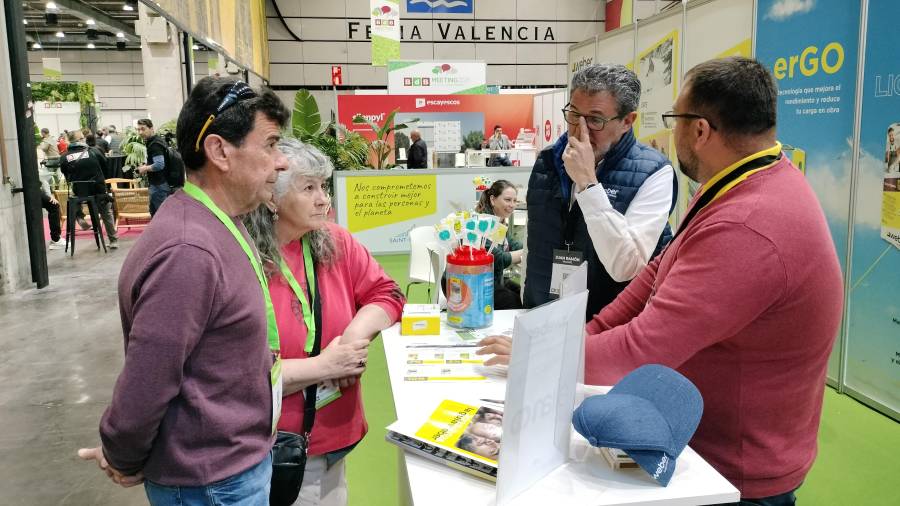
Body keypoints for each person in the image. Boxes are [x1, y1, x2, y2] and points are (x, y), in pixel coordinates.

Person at [479, 57, 844, 505]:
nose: (580, 129)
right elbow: (658, 271)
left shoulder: (748, 224)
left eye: (674, 119)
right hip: (688, 434)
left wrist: (547, 356)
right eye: (574, 115)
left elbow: (644, 343)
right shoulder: (739, 184)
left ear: (700, 130)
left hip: (733, 470)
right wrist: (584, 333)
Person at [77, 77, 290, 504]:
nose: (281, 162)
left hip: (230, 468)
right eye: (269, 145)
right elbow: (148, 378)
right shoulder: (189, 250)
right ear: (219, 151)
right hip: (211, 482)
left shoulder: (222, 225)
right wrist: (123, 452)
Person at [243, 138, 404, 505]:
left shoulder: (334, 241)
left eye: (324, 186)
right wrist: (324, 366)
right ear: (273, 197)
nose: (323, 198)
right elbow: (238, 375)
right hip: (270, 442)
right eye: (309, 188)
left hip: (332, 435)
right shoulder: (243, 257)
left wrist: (352, 339)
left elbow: (388, 295)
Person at [524, 63, 677, 319]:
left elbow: (626, 267)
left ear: (628, 121)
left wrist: (588, 184)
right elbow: (536, 242)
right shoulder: (548, 161)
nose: (579, 129)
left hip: (610, 327)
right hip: (544, 315)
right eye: (574, 114)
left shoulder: (655, 173)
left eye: (595, 120)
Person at [59, 129, 118, 248]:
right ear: (80, 140)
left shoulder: (64, 156)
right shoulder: (94, 151)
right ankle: (113, 240)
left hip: (80, 192)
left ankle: (79, 216)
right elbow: (105, 167)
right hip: (98, 189)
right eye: (82, 137)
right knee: (106, 212)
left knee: (73, 198)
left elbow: (66, 175)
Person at [475, 180, 523, 309]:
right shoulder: (483, 223)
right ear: (492, 200)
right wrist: (527, 253)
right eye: (507, 200)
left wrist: (529, 247)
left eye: (515, 201)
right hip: (474, 283)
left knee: (523, 293)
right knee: (517, 302)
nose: (512, 205)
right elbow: (498, 259)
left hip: (491, 277)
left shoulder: (498, 221)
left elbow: (511, 244)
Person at [136, 118, 170, 216]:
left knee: (160, 216)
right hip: (160, 184)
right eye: (138, 129)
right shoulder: (155, 141)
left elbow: (159, 165)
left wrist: (144, 168)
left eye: (143, 129)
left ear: (151, 128)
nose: (140, 132)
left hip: (159, 185)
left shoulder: (155, 145)